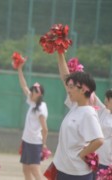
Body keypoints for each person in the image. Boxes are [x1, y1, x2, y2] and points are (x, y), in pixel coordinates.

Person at [53, 52, 104, 180]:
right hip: (64, 169)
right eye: (68, 87)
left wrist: (81, 154)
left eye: (71, 87)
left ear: (83, 90)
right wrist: (60, 54)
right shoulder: (76, 106)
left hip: (76, 173)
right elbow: (65, 77)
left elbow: (98, 140)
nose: (68, 90)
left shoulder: (88, 113)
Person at [17, 61, 48, 180]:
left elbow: (45, 129)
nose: (31, 92)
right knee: (26, 169)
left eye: (34, 91)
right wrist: (19, 69)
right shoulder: (32, 102)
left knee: (35, 170)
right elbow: (24, 86)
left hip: (35, 143)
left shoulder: (41, 107)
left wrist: (43, 144)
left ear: (39, 94)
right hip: (27, 141)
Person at [93, 90, 112, 176]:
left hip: (108, 163)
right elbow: (94, 98)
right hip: (96, 158)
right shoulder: (104, 111)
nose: (105, 101)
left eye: (108, 99)